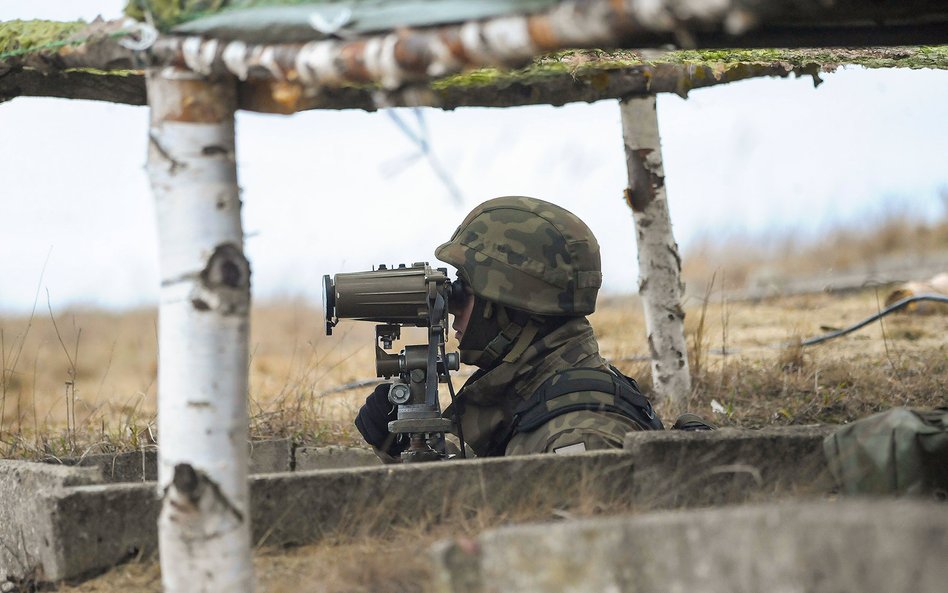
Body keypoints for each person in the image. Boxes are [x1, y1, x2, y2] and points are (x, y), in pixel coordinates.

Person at [356, 196, 683, 461]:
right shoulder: (533, 393)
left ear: (507, 305)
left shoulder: (576, 437)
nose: (451, 304)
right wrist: (405, 451)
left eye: (464, 289)